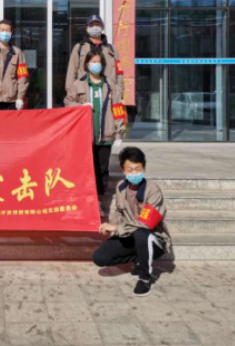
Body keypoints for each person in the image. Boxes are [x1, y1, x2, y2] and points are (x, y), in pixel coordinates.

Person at [92, 147, 172, 298]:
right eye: (130, 169)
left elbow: (146, 224)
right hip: (129, 235)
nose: (134, 173)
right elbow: (118, 212)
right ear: (123, 170)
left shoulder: (153, 190)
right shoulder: (121, 187)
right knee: (100, 257)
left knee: (142, 233)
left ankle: (145, 279)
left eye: (138, 169)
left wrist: (117, 227)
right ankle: (140, 259)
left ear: (144, 168)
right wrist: (114, 229)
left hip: (153, 239)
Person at [65, 51, 127, 200]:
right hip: (85, 135)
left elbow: (117, 109)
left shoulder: (110, 85)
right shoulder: (78, 84)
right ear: (87, 65)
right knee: (85, 167)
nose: (96, 65)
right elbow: (67, 102)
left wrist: (119, 132)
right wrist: (80, 106)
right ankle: (87, 198)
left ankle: (101, 198)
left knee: (102, 168)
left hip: (106, 134)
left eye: (98, 62)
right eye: (93, 62)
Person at [66, 15, 124, 101]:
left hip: (108, 94)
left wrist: (119, 91)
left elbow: (119, 72)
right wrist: (71, 92)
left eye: (97, 25)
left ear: (102, 27)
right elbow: (71, 72)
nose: (95, 27)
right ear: (87, 28)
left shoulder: (112, 49)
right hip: (85, 94)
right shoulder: (79, 48)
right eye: (92, 25)